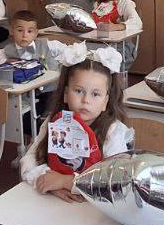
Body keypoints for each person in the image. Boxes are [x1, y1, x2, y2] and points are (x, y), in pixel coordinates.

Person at [20, 44, 133, 200]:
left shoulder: (112, 131)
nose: (86, 100)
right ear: (66, 94)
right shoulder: (53, 122)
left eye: (95, 94)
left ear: (106, 101)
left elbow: (116, 181)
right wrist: (48, 182)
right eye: (79, 91)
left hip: (93, 207)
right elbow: (28, 161)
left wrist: (66, 182)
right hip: (52, 202)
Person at [92, 0, 143, 76]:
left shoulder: (126, 4)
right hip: (100, 43)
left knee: (108, 66)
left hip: (122, 47)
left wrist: (116, 26)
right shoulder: (99, 4)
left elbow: (137, 23)